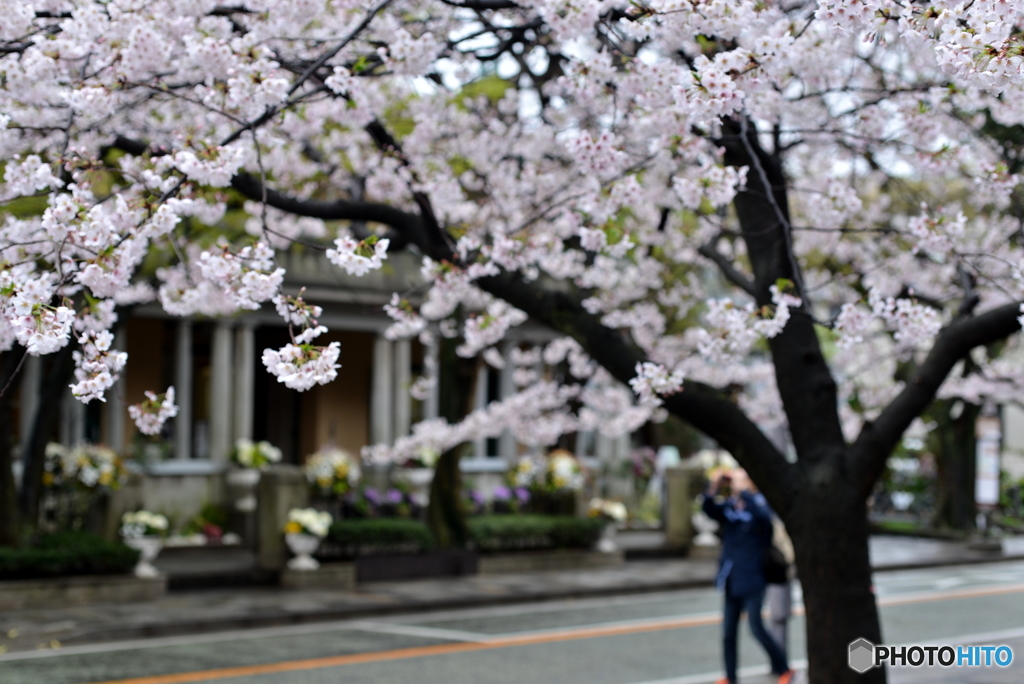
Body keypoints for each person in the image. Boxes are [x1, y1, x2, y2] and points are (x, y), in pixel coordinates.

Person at [702, 469, 795, 684]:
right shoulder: (732, 506)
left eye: (742, 478)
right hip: (731, 577)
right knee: (728, 633)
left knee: (757, 628)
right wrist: (714, 486)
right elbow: (709, 509)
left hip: (753, 578)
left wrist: (744, 492)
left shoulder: (760, 504)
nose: (736, 482)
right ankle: (730, 676)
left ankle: (784, 668)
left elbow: (764, 521)